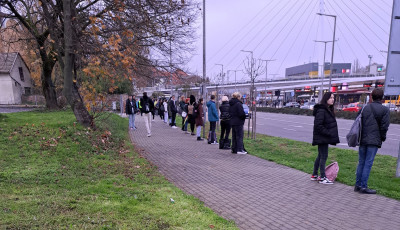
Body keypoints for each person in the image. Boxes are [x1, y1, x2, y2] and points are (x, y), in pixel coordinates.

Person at [355, 88, 390, 194]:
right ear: (382, 98)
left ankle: (357, 185)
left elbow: (357, 121)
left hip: (362, 139)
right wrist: (382, 138)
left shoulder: (365, 108)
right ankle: (363, 186)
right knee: (368, 163)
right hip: (374, 140)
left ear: (372, 97)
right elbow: (384, 126)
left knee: (361, 162)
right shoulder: (385, 110)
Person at [311, 92, 340, 184]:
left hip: (323, 137)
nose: (333, 99)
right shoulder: (322, 110)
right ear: (326, 99)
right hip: (322, 137)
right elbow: (318, 125)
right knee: (324, 156)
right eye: (331, 97)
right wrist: (328, 133)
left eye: (333, 98)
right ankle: (322, 177)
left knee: (320, 155)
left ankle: (315, 174)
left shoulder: (327, 109)